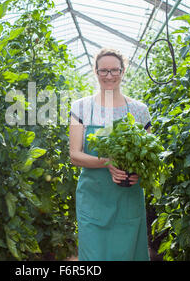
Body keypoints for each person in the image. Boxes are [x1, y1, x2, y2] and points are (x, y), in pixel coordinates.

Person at [69, 48, 152, 261]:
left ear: (123, 71)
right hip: (93, 197)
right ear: (96, 72)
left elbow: (149, 154)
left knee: (127, 253)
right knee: (93, 256)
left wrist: (139, 173)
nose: (109, 76)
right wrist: (108, 163)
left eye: (114, 70)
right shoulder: (81, 108)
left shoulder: (139, 110)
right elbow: (75, 156)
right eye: (103, 71)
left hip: (127, 196)